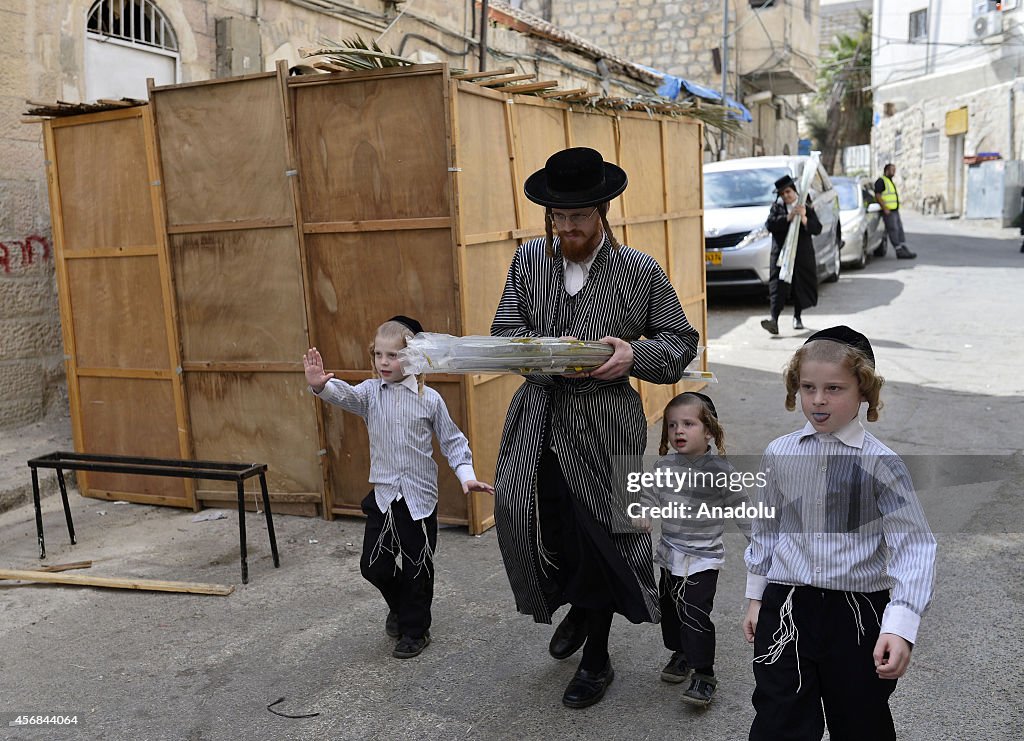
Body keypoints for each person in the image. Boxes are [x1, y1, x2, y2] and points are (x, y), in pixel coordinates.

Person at [491, 147, 700, 708]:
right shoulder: (528, 261)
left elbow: (679, 345)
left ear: (602, 209)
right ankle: (581, 607)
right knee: (545, 524)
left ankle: (597, 657)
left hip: (607, 424)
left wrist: (634, 355)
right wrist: (534, 353)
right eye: (557, 219)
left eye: (578, 218)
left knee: (604, 537)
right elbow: (504, 332)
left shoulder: (641, 271)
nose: (567, 229)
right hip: (539, 421)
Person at [743, 326, 936, 740]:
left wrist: (900, 625)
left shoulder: (882, 464)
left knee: (860, 720)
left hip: (857, 614)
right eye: (808, 387)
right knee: (779, 720)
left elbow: (913, 545)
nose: (818, 400)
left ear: (863, 390)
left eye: (834, 388)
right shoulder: (780, 453)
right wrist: (756, 596)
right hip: (788, 607)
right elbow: (766, 527)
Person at [303, 316, 494, 660]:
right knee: (373, 565)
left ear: (415, 357)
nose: (384, 363)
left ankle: (415, 631)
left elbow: (452, 441)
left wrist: (466, 476)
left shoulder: (430, 399)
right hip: (383, 495)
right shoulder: (370, 394)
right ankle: (402, 607)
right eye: (379, 355)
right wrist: (320, 385)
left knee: (417, 566)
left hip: (418, 499)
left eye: (393, 355)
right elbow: (344, 394)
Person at [642, 392, 751, 708]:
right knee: (671, 612)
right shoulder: (664, 467)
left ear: (709, 432)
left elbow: (742, 508)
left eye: (688, 423)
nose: (678, 430)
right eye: (672, 425)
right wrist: (643, 510)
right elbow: (648, 494)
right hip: (670, 556)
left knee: (694, 614)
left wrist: (760, 543)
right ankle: (681, 653)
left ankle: (704, 672)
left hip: (702, 560)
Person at [761, 174, 821, 335]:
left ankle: (797, 317)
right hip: (781, 255)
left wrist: (803, 217)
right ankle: (774, 320)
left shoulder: (805, 207)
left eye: (788, 192)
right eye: (782, 194)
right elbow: (770, 224)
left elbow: (817, 228)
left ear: (794, 191)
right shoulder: (777, 208)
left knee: (799, 285)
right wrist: (788, 217)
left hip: (801, 255)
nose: (786, 196)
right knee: (777, 286)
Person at [873, 164, 917, 259]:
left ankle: (903, 248)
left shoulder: (889, 181)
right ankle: (899, 250)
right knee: (893, 230)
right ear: (886, 171)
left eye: (894, 170)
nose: (894, 172)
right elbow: (878, 195)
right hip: (888, 211)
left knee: (899, 229)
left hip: (894, 210)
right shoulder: (881, 181)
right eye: (892, 170)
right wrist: (884, 208)